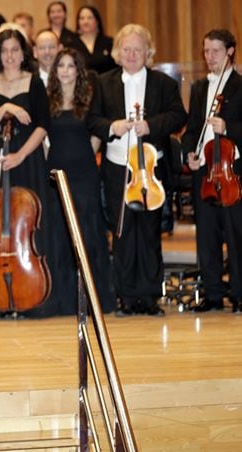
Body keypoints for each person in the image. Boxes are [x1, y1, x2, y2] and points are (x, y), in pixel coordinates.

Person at [88, 24, 186, 316]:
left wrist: (151, 125)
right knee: (123, 233)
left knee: (149, 231)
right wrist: (112, 127)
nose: (131, 54)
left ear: (148, 53)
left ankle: (150, 296)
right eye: (126, 49)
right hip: (118, 168)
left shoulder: (163, 84)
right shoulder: (103, 83)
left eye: (138, 49)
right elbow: (92, 121)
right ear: (118, 52)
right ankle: (127, 296)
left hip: (151, 169)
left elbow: (178, 116)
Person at [0, 29, 51, 314]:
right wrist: (7, 106)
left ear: (23, 53)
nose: (10, 56)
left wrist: (20, 155)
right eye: (4, 50)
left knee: (28, 227)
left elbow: (43, 124)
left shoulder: (34, 83)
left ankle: (31, 293)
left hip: (27, 159)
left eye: (15, 50)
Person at [43, 48, 117, 315]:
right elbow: (42, 136)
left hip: (84, 171)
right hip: (56, 172)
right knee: (60, 232)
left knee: (88, 233)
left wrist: (89, 156)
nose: (64, 70)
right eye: (60, 65)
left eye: (70, 66)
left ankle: (95, 300)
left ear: (78, 71)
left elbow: (97, 133)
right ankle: (63, 301)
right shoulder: (47, 99)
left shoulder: (88, 98)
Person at [182, 29, 242, 315]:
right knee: (206, 236)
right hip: (205, 171)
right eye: (206, 51)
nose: (209, 57)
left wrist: (228, 128)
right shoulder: (198, 88)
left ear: (230, 51)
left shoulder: (240, 86)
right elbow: (193, 129)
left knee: (236, 234)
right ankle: (213, 293)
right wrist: (189, 153)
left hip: (232, 173)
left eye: (215, 51)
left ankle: (240, 293)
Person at [73, 5, 116, 75]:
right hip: (81, 84)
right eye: (82, 18)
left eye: (89, 18)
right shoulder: (72, 44)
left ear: (97, 21)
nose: (85, 21)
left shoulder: (109, 42)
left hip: (106, 83)